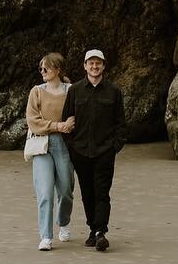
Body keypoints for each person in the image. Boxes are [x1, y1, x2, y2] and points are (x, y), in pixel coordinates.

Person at [61, 48, 126, 252]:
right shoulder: (75, 90)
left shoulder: (114, 91)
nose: (95, 66)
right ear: (85, 66)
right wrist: (72, 146)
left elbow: (120, 123)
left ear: (103, 66)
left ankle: (101, 232)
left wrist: (115, 146)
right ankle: (92, 229)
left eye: (98, 63)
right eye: (91, 63)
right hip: (80, 151)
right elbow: (67, 120)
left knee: (102, 192)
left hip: (105, 151)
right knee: (87, 193)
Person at [25, 53, 76, 251]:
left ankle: (63, 222)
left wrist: (71, 125)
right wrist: (58, 125)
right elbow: (33, 121)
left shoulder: (71, 90)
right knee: (45, 192)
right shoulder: (36, 92)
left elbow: (78, 114)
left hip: (65, 145)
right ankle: (46, 236)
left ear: (58, 70)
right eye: (41, 69)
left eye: (46, 68)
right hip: (42, 145)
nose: (43, 72)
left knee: (66, 190)